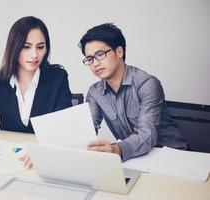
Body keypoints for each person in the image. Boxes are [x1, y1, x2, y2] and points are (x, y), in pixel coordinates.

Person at [79, 23, 188, 161]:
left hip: (173, 156)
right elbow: (86, 130)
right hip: (136, 159)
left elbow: (147, 135)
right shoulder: (95, 92)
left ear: (119, 52)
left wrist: (116, 149)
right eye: (89, 59)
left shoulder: (147, 84)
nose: (95, 63)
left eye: (100, 55)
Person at [0, 16, 72, 150]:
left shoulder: (57, 78)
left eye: (40, 47)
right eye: (26, 47)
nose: (34, 54)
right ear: (14, 47)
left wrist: (41, 152)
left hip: (43, 156)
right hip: (9, 157)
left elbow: (63, 128)